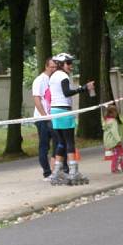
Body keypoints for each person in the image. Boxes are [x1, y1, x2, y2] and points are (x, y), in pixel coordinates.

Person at [47, 52, 95, 185]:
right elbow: (67, 92)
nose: (71, 66)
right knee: (69, 142)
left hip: (55, 111)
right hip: (64, 110)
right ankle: (73, 172)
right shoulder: (63, 75)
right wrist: (84, 88)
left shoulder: (53, 76)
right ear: (61, 64)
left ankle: (56, 172)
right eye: (68, 63)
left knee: (61, 142)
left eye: (71, 63)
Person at [32, 58, 59, 181]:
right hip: (42, 118)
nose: (54, 69)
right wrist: (44, 115)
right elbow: (37, 99)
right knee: (44, 146)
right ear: (46, 67)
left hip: (53, 116)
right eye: (51, 67)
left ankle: (55, 169)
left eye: (55, 67)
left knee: (58, 142)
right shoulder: (39, 80)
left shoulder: (53, 80)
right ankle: (47, 173)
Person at [102, 105, 123, 173]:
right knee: (116, 155)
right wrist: (118, 140)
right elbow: (114, 132)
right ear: (112, 113)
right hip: (114, 141)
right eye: (116, 112)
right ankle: (114, 168)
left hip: (109, 141)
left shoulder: (106, 121)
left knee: (121, 152)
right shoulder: (113, 121)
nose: (117, 114)